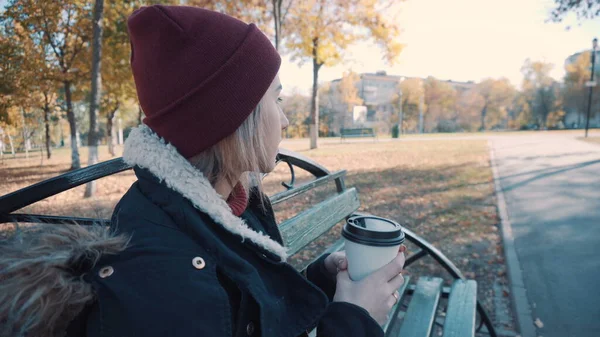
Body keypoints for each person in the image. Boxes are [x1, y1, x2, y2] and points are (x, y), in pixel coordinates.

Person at [0, 5, 406, 337]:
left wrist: (324, 280)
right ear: (233, 118)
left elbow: (242, 310)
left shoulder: (227, 201)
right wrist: (355, 320)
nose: (284, 121)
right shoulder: (162, 277)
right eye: (276, 100)